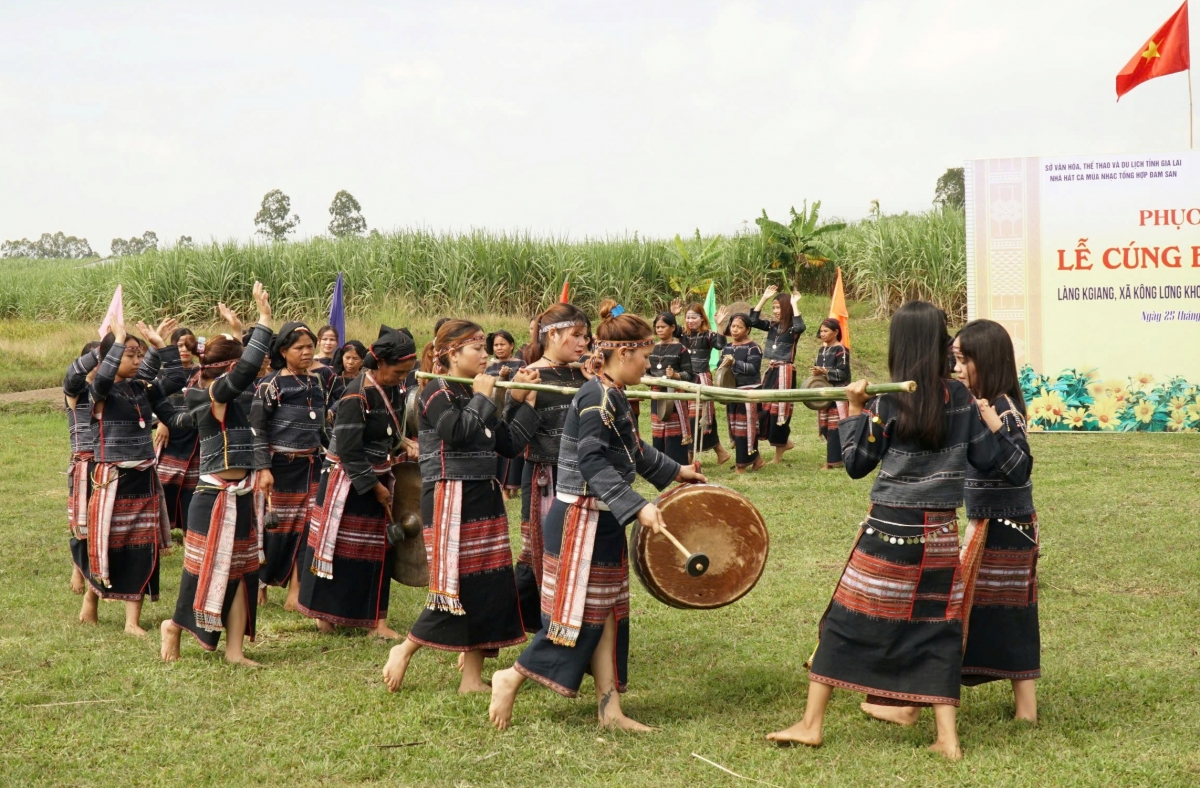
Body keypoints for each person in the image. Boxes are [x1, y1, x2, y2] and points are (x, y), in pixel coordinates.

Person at [767, 301, 1005, 760]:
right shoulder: (959, 398)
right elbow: (989, 460)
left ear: (900, 345)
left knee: (842, 622)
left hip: (887, 531)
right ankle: (947, 739)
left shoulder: (888, 402)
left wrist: (854, 408)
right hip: (938, 535)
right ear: (938, 344)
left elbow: (856, 464)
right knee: (938, 629)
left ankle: (811, 724)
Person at [487, 300, 706, 731]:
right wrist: (637, 505)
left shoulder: (612, 394)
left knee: (606, 614)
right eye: (645, 357)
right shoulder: (596, 396)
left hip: (601, 518)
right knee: (578, 616)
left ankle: (610, 709)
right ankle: (509, 677)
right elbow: (590, 460)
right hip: (579, 519)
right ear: (624, 353)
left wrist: (676, 471)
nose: (649, 364)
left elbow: (632, 451)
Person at [382, 320, 541, 693]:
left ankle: (471, 679)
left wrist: (524, 403)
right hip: (449, 496)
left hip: (483, 494)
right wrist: (486, 398)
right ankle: (404, 650)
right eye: (477, 349)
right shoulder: (435, 391)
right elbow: (457, 433)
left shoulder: (472, 390)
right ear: (452, 354)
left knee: (487, 584)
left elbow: (509, 444)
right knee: (453, 586)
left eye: (485, 348)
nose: (485, 355)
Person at [160, 285, 275, 664]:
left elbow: (244, 372)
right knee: (200, 572)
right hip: (212, 499)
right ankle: (173, 627)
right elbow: (244, 371)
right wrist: (264, 320)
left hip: (240, 496)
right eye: (240, 364)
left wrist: (239, 330)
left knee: (243, 573)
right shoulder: (213, 397)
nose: (253, 371)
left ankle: (235, 651)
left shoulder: (233, 397)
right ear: (228, 370)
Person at [296, 326, 419, 638]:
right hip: (348, 481)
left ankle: (376, 622)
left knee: (379, 550)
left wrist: (402, 444)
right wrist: (374, 486)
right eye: (398, 371)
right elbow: (350, 449)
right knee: (337, 550)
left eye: (407, 372)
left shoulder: (394, 389)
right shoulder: (356, 394)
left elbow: (388, 429)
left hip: (376, 475)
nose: (402, 377)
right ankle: (325, 617)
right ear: (380, 364)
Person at [954, 319, 1040, 722]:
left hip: (1008, 527)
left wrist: (991, 424)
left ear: (983, 362)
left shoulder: (1002, 407)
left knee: (1012, 613)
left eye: (961, 360)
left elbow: (1020, 468)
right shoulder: (978, 403)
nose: (955, 368)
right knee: (991, 611)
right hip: (987, 523)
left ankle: (1027, 710)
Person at [77, 316, 181, 636]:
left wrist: (161, 347)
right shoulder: (99, 392)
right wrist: (118, 339)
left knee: (141, 545)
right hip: (113, 481)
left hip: (144, 479)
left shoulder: (140, 389)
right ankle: (90, 601)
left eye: (139, 355)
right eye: (129, 354)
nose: (137, 360)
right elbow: (106, 377)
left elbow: (175, 379)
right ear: (111, 358)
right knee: (111, 545)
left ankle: (131, 622)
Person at [508, 303, 590, 632]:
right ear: (552, 335)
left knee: (577, 554)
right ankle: (499, 630)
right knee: (535, 555)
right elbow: (512, 439)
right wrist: (518, 397)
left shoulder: (582, 373)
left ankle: (568, 628)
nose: (583, 343)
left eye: (587, 337)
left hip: (582, 478)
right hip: (544, 477)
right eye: (577, 336)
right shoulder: (529, 375)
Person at [252, 322, 331, 610]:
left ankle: (295, 593)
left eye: (310, 346)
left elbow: (322, 429)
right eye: (300, 348)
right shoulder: (270, 384)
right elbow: (258, 429)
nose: (307, 352)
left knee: (308, 528)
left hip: (311, 465)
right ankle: (259, 584)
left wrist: (334, 455)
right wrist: (263, 468)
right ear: (284, 351)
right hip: (279, 467)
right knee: (273, 529)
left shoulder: (318, 382)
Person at [748, 286, 806, 463]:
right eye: (773, 308)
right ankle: (785, 442)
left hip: (785, 371)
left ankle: (778, 454)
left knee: (780, 412)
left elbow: (800, 325)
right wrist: (764, 298)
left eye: (778, 307)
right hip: (772, 370)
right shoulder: (772, 326)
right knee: (765, 409)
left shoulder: (792, 330)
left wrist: (794, 303)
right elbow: (752, 320)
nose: (775, 311)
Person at [671, 298, 731, 465]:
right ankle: (721, 452)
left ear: (702, 318)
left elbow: (720, 346)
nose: (690, 321)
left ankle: (689, 457)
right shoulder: (683, 333)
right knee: (694, 417)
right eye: (688, 317)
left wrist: (719, 324)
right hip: (684, 378)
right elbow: (669, 329)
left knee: (699, 417)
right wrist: (672, 315)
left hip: (701, 379)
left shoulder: (708, 335)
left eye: (694, 317)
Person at [63, 340, 102, 595]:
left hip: (108, 462)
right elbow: (73, 375)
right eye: (97, 363)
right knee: (82, 520)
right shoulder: (76, 391)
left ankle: (98, 571)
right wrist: (106, 348)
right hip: (84, 462)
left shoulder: (111, 390)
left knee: (102, 520)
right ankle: (78, 568)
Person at [154, 327, 201, 533]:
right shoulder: (163, 372)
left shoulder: (202, 372)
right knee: (165, 484)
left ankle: (189, 529)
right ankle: (163, 530)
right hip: (170, 436)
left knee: (192, 487)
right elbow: (155, 399)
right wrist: (163, 422)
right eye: (179, 345)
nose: (184, 350)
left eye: (187, 345)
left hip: (194, 435)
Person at [645, 311, 694, 466]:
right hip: (657, 395)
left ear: (672, 327)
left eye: (663, 327)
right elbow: (646, 372)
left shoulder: (681, 349)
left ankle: (677, 465)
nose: (659, 330)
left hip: (675, 397)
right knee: (658, 430)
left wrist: (676, 376)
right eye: (657, 327)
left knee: (675, 432)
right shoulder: (651, 348)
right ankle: (660, 465)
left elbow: (690, 375)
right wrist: (650, 380)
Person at [718, 314, 764, 473]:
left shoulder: (753, 348)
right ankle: (757, 460)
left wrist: (735, 363)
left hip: (749, 392)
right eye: (733, 326)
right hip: (732, 392)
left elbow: (753, 369)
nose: (735, 330)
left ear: (748, 329)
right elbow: (720, 366)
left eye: (739, 327)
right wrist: (723, 364)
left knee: (745, 429)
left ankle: (742, 466)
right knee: (736, 429)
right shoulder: (727, 347)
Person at [486, 330, 525, 498]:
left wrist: (507, 377)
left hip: (513, 411)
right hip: (495, 411)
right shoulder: (488, 365)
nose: (499, 348)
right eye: (496, 345)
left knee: (514, 448)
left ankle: (513, 486)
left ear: (512, 345)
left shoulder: (520, 363)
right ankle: (502, 488)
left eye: (502, 344)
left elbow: (520, 386)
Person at [812, 318, 851, 470]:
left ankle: (832, 462)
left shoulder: (841, 350)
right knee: (825, 426)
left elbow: (843, 373)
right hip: (825, 393)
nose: (822, 334)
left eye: (826, 331)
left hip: (837, 393)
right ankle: (839, 456)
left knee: (835, 427)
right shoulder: (822, 350)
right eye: (821, 331)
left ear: (836, 332)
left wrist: (825, 371)